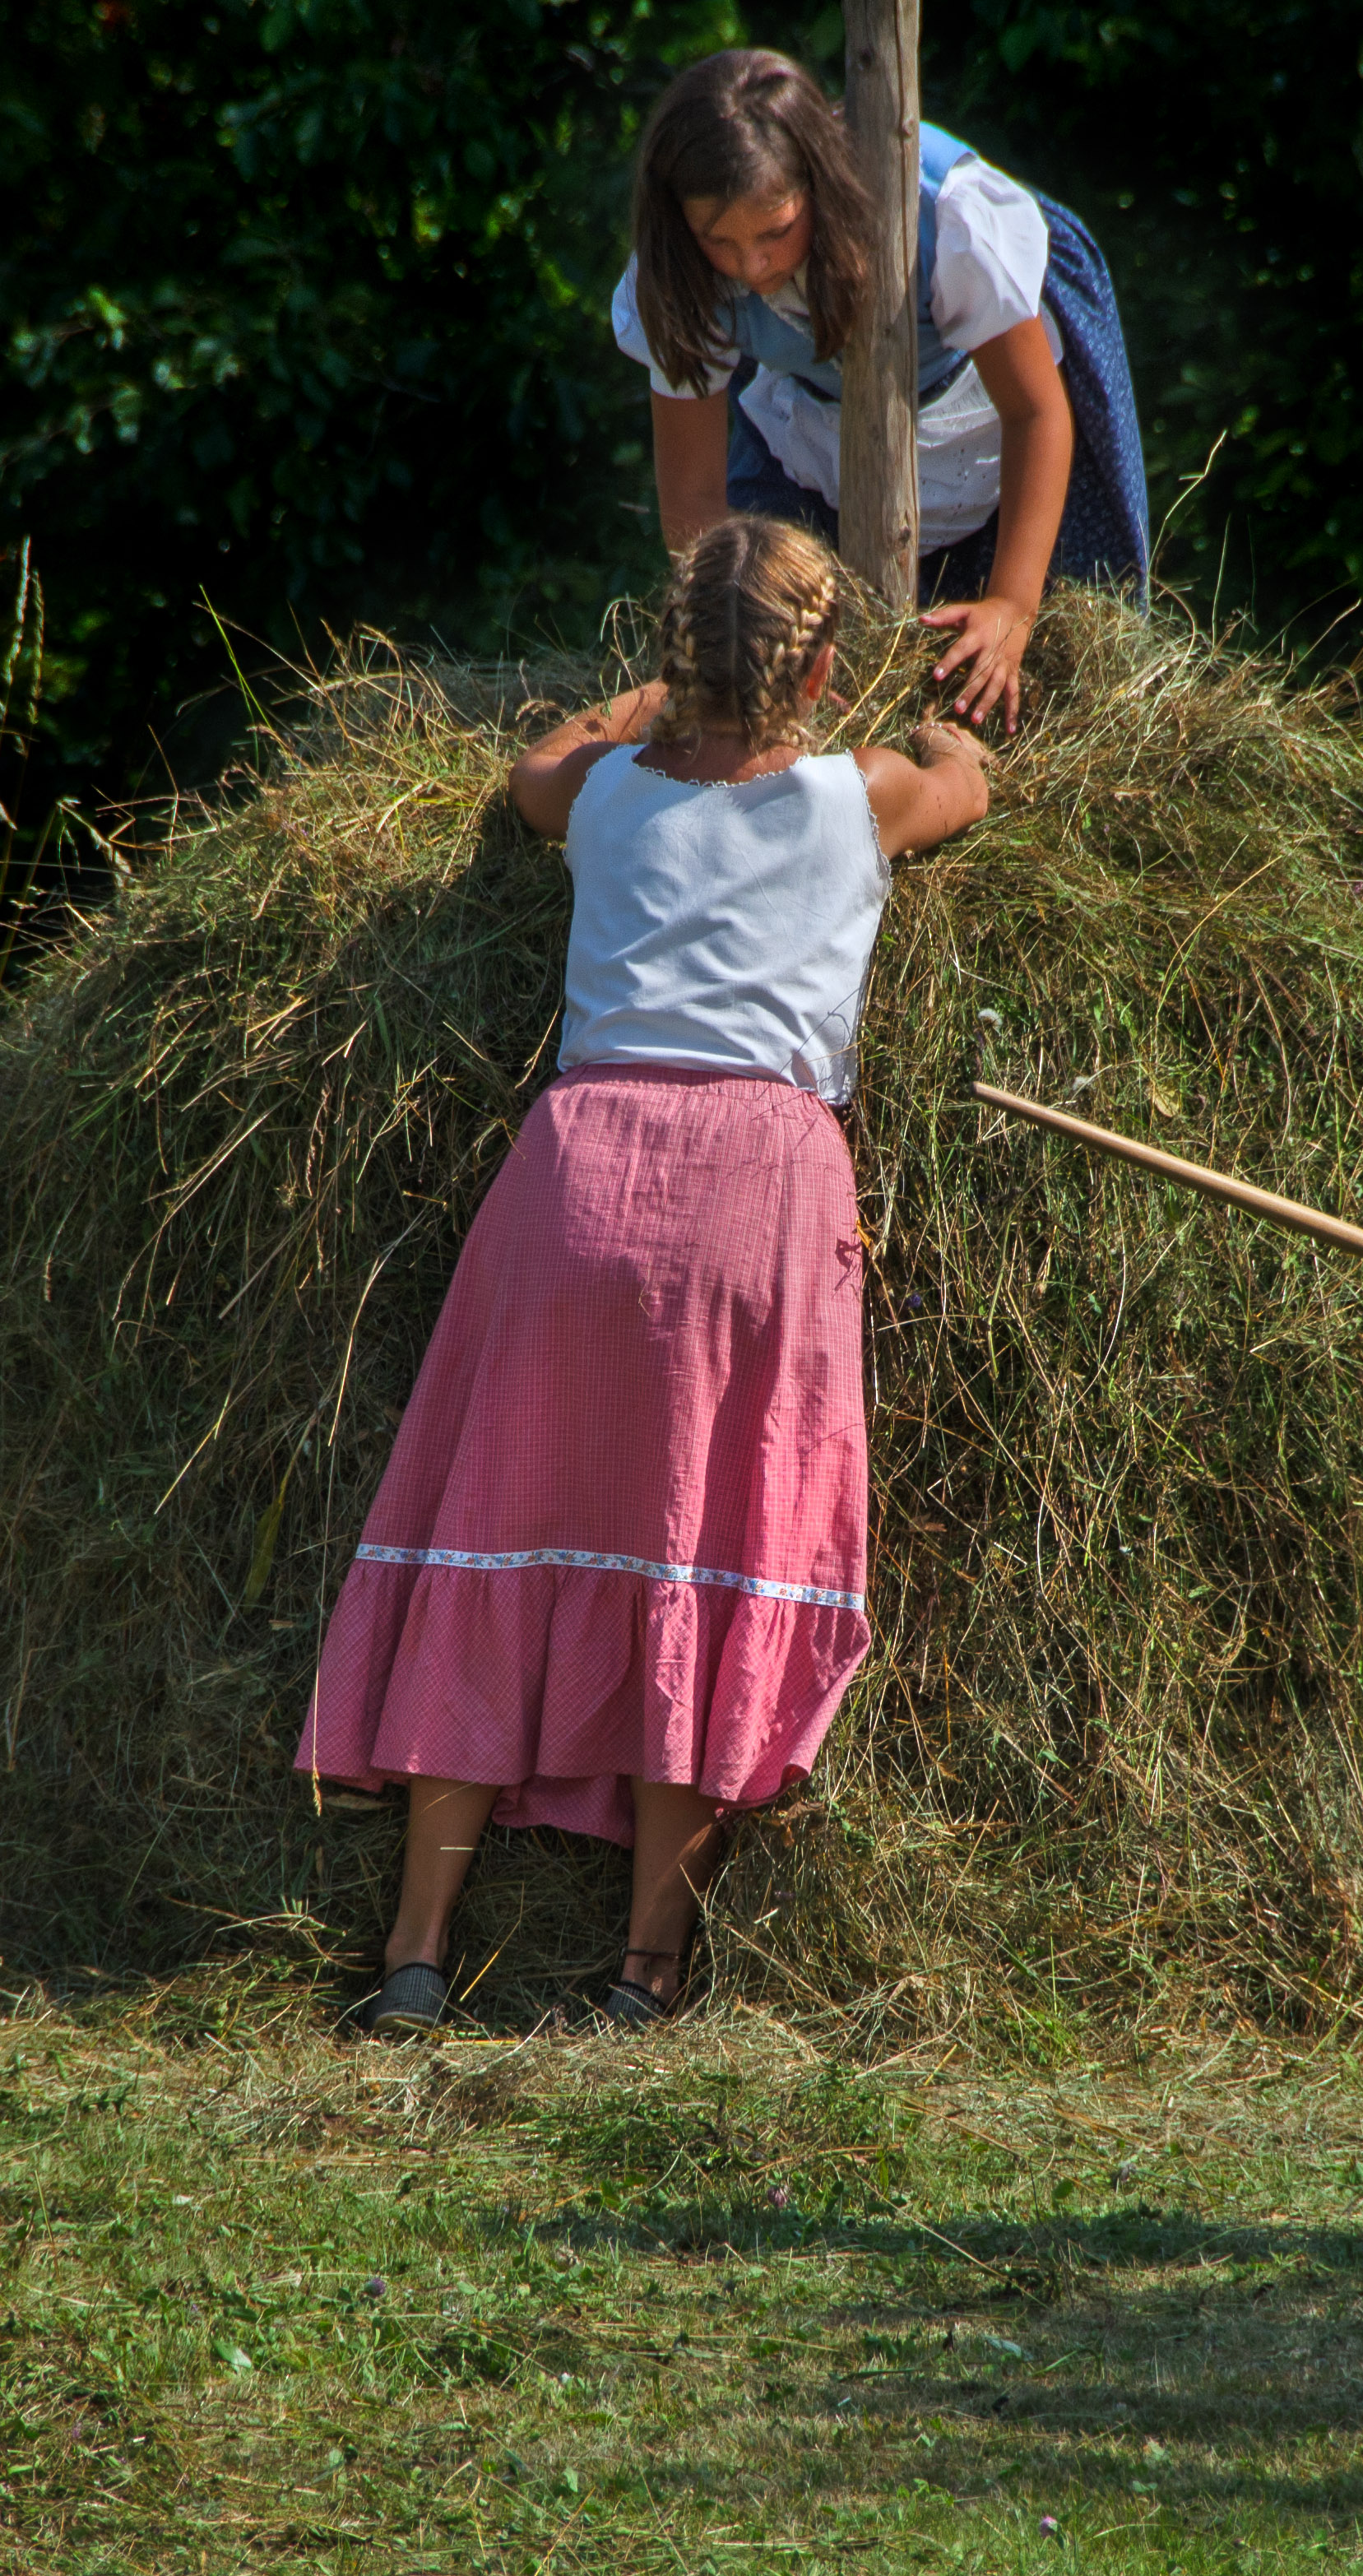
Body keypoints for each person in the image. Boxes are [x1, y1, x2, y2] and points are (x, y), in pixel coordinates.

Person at [300, 515, 991, 2032]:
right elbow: (964, 781)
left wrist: (627, 708)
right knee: (710, 1540)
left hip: (579, 1171)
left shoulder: (606, 794)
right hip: (757, 1182)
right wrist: (934, 721)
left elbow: (527, 768)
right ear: (817, 667)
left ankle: (416, 1951)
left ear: (668, 656)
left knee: (497, 1523)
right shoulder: (850, 794)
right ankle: (644, 1968)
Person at [617, 46, 1148, 733]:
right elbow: (694, 500)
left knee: (1049, 680)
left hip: (990, 409)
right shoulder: (676, 273)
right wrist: (738, 646)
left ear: (817, 183)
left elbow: (1035, 410)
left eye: (777, 230)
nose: (752, 264)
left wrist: (1012, 607)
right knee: (763, 650)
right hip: (816, 418)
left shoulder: (943, 215)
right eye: (718, 240)